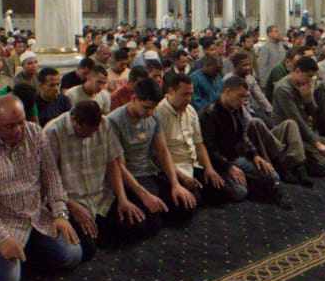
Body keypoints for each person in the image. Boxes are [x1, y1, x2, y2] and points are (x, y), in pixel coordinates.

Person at [0, 94, 81, 281]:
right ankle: (3, 254)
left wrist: (60, 214)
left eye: (21, 122)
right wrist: (1, 238)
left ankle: (25, 254)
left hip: (36, 215)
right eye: (10, 126)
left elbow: (52, 178)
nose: (18, 130)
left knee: (73, 255)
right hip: (3, 222)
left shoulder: (34, 133)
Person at [43, 101, 153, 262]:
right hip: (71, 200)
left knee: (138, 226)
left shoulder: (105, 124)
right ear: (74, 120)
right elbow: (49, 181)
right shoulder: (52, 132)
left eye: (94, 132)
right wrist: (72, 207)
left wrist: (122, 199)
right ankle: (97, 235)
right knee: (87, 249)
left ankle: (100, 232)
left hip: (101, 197)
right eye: (87, 132)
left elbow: (112, 163)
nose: (91, 136)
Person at [106, 77, 198, 226]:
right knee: (148, 223)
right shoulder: (113, 121)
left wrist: (175, 184)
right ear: (134, 99)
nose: (150, 112)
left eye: (153, 108)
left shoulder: (155, 115)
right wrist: (144, 195)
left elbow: (162, 151)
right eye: (146, 107)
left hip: (150, 172)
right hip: (130, 177)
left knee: (187, 206)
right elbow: (119, 166)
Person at [198, 77, 289, 206]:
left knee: (273, 176)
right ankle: (256, 185)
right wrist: (228, 167)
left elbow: (243, 137)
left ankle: (255, 183)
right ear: (227, 91)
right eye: (240, 96)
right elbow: (209, 149)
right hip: (219, 163)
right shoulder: (209, 114)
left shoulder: (237, 109)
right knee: (239, 192)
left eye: (244, 97)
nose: (242, 101)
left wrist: (255, 155)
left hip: (236, 157)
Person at [156, 72, 236, 203]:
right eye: (184, 94)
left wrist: (209, 168)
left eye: (190, 94)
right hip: (173, 169)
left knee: (226, 193)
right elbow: (159, 155)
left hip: (193, 165)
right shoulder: (159, 113)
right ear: (171, 92)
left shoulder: (190, 110)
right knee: (192, 202)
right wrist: (182, 177)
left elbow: (199, 144)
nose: (188, 99)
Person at [272, 56, 325, 177]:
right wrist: (317, 144)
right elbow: (297, 121)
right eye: (308, 76)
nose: (310, 80)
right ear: (297, 71)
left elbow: (314, 113)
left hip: (308, 133)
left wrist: (308, 100)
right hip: (292, 137)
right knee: (324, 165)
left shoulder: (303, 85)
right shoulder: (283, 89)